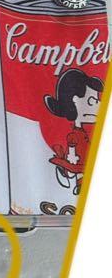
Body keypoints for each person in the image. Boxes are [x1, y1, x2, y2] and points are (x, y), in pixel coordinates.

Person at [45, 68, 103, 196]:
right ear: (75, 101)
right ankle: (69, 176)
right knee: (78, 171)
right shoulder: (74, 135)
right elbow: (72, 148)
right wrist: (72, 158)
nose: (99, 105)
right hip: (77, 159)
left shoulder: (83, 132)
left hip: (83, 157)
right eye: (92, 101)